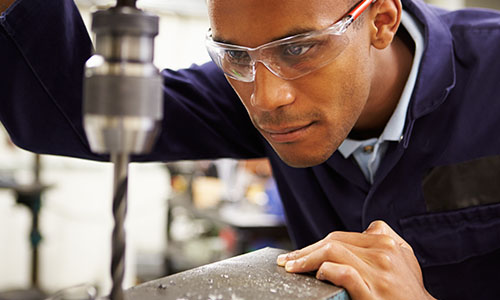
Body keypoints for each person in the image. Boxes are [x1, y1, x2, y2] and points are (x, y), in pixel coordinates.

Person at [1, 0, 500, 298]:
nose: (265, 98)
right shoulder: (246, 91)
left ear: (382, 20)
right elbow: (65, 114)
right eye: (235, 56)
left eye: (300, 47)